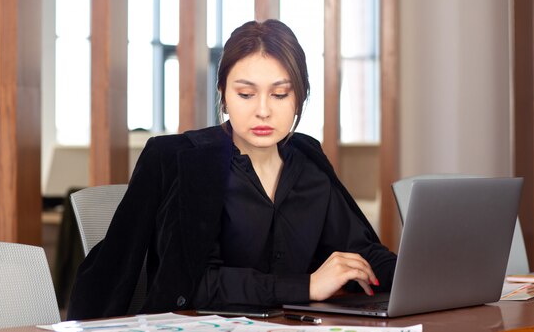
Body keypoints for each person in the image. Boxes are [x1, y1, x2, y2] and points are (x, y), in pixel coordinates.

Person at [67, 19, 397, 320]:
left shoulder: (308, 163)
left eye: (280, 94)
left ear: (300, 98)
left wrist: (420, 276)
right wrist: (306, 286)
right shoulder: (184, 162)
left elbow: (362, 254)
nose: (263, 110)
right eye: (246, 94)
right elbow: (195, 283)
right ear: (223, 95)